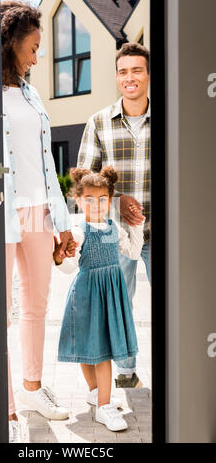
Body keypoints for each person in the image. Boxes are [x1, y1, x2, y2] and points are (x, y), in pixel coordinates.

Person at [1, 1, 74, 443]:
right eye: (32, 47)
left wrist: (61, 221)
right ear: (11, 43)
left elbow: (47, 162)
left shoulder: (32, 94)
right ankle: (5, 405)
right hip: (1, 210)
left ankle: (31, 388)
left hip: (39, 211)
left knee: (36, 306)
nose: (36, 56)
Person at [77, 42, 151, 388]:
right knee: (120, 303)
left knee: (176, 304)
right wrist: (117, 200)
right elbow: (85, 184)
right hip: (114, 236)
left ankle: (176, 367)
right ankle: (125, 373)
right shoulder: (99, 122)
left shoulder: (171, 117)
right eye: (123, 71)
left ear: (149, 74)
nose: (129, 78)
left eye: (137, 70)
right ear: (116, 77)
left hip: (164, 232)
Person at [53, 167, 145, 432]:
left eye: (102, 199)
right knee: (89, 347)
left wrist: (136, 226)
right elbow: (70, 268)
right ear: (79, 200)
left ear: (110, 199)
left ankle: (101, 400)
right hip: (86, 295)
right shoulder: (78, 231)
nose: (96, 204)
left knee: (102, 349)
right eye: (89, 199)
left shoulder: (114, 228)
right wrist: (59, 257)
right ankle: (100, 400)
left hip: (111, 296)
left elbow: (133, 252)